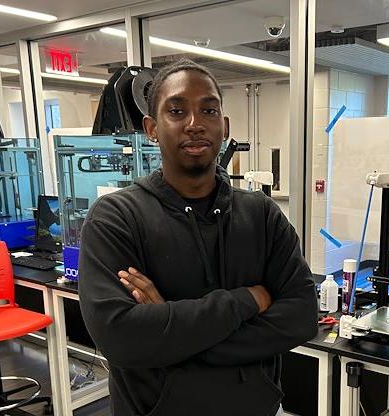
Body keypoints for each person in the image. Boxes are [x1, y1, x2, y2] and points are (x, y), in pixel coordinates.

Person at [78, 59, 318, 416]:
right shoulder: (116, 218)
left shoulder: (262, 215)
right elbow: (121, 338)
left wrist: (171, 333)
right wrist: (247, 301)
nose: (194, 124)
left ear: (223, 126)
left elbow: (301, 316)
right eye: (176, 111)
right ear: (152, 128)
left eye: (208, 110)